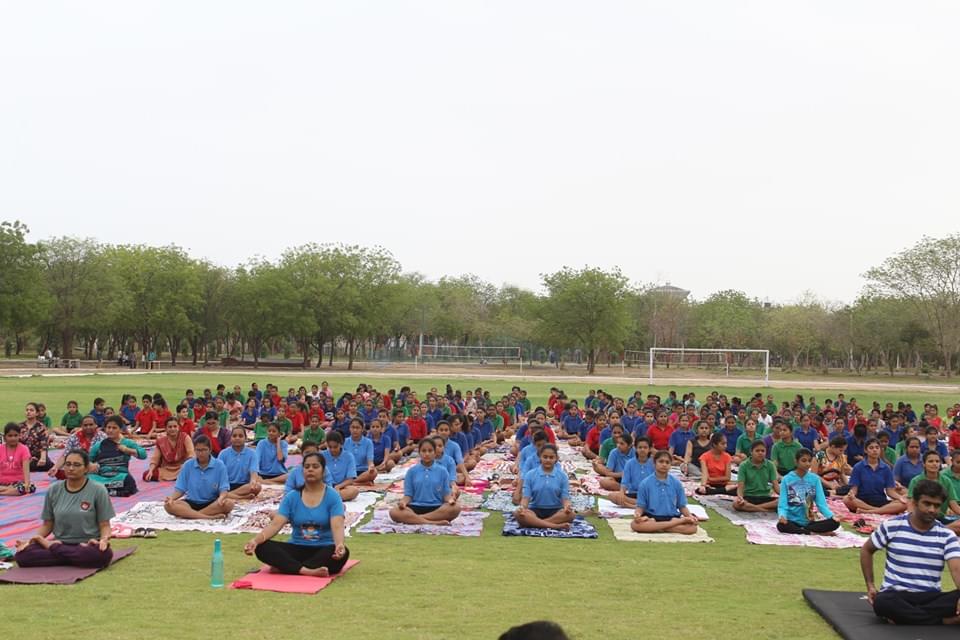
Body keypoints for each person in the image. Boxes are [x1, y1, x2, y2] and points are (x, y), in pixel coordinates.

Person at [860, 479, 960, 626]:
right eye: (927, 503)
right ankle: (942, 621)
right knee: (882, 602)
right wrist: (870, 585)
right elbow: (866, 550)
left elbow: (957, 569)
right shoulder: (892, 526)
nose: (932, 509)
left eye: (936, 505)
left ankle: (906, 616)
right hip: (896, 595)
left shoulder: (946, 535)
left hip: (930, 597)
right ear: (914, 503)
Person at [244, 451, 350, 576]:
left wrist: (339, 545)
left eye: (315, 467)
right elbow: (275, 525)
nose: (310, 470)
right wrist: (255, 541)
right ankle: (307, 570)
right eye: (307, 467)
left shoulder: (333, 496)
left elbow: (337, 525)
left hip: (323, 548)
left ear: (323, 471)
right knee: (263, 547)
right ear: (302, 471)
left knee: (343, 553)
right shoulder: (292, 497)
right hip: (297, 547)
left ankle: (287, 567)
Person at [13, 449, 115, 568]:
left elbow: (105, 525)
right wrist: (29, 541)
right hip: (62, 541)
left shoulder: (98, 490)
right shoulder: (54, 489)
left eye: (77, 465)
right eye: (68, 464)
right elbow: (47, 524)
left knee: (103, 555)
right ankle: (67, 555)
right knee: (22, 556)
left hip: (87, 545)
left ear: (86, 468)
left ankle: (54, 549)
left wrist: (103, 540)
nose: (71, 468)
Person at [388, 439, 461, 525]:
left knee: (455, 508)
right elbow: (408, 496)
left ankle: (418, 520)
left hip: (436, 508)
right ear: (419, 453)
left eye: (430, 451)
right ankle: (432, 522)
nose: (427, 454)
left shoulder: (443, 471)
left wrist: (451, 500)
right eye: (424, 451)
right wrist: (403, 502)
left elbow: (446, 495)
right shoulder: (412, 471)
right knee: (394, 512)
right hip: (415, 507)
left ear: (435, 453)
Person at [163, 435, 235, 520]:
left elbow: (224, 488)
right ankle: (208, 517)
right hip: (191, 502)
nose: (201, 453)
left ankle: (192, 515)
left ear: (210, 450)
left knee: (229, 504)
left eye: (204, 450)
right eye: (198, 450)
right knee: (168, 506)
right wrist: (171, 498)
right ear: (194, 450)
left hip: (211, 503)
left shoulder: (219, 465)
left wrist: (221, 498)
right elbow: (180, 490)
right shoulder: (188, 465)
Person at [631, 451, 699, 535]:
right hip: (652, 517)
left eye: (667, 462)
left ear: (670, 465)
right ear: (654, 463)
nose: (664, 464)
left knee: (692, 528)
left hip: (671, 517)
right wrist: (637, 515)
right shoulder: (645, 483)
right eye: (661, 461)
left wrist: (689, 516)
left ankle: (658, 528)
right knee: (634, 525)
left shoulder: (676, 483)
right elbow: (641, 507)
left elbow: (682, 506)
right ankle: (670, 527)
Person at [776, 448, 840, 535]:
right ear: (796, 461)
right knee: (781, 525)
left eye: (809, 461)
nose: (807, 464)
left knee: (835, 523)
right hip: (792, 520)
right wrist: (782, 516)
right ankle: (813, 532)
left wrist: (831, 516)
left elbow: (821, 503)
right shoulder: (786, 479)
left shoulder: (815, 479)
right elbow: (783, 504)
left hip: (809, 521)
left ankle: (806, 530)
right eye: (804, 461)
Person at [516, 444, 575, 530]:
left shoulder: (563, 476)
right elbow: (526, 497)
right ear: (540, 457)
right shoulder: (530, 475)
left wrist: (567, 507)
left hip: (556, 510)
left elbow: (565, 498)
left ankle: (536, 523)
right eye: (545, 457)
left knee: (571, 514)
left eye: (551, 457)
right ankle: (555, 526)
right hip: (535, 509)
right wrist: (522, 508)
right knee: (518, 514)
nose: (548, 460)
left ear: (556, 459)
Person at [844, 439, 908, 515]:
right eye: (871, 448)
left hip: (880, 500)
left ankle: (869, 511)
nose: (875, 450)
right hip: (862, 500)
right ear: (865, 450)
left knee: (904, 504)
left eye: (877, 448)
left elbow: (890, 491)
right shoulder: (858, 467)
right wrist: (851, 494)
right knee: (847, 499)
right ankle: (879, 511)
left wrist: (900, 498)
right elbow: (854, 489)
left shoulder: (886, 468)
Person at [88, 416, 146, 496]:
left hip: (119, 477)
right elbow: (88, 460)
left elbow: (143, 455)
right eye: (108, 427)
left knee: (128, 480)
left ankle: (103, 491)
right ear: (105, 428)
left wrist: (127, 450)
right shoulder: (99, 445)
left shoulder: (127, 443)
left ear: (120, 429)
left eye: (114, 428)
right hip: (102, 477)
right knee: (86, 478)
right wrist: (90, 465)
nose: (110, 430)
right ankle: (110, 491)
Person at [908, 451, 960, 533]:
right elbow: (911, 503)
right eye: (930, 461)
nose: (934, 464)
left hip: (939, 517)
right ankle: (938, 531)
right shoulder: (916, 481)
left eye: (937, 461)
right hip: (921, 517)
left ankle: (937, 530)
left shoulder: (946, 481)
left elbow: (953, 504)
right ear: (924, 464)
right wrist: (911, 519)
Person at [48, 415, 107, 479]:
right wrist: (55, 467)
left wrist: (96, 465)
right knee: (59, 471)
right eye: (85, 425)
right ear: (81, 426)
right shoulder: (74, 437)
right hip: (77, 464)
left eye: (91, 424)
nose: (88, 427)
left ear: (96, 425)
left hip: (96, 465)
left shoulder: (103, 437)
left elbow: (107, 456)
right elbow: (65, 455)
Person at [144, 417, 195, 482]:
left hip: (183, 467)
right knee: (146, 474)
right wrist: (151, 471)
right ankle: (181, 477)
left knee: (195, 471)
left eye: (175, 426)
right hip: (167, 469)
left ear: (178, 427)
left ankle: (183, 476)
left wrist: (186, 465)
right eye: (170, 427)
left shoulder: (185, 437)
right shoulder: (161, 441)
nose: (172, 429)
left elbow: (191, 453)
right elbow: (155, 458)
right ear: (165, 428)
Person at [733, 440, 779, 512]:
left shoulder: (770, 465)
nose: (760, 453)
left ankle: (755, 508)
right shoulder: (743, 465)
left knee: (781, 502)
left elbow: (776, 485)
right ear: (751, 452)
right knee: (736, 504)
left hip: (765, 496)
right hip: (749, 497)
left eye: (763, 451)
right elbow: (740, 487)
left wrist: (784, 496)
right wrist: (740, 498)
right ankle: (765, 510)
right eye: (757, 451)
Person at [609, 436, 654, 508]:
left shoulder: (654, 463)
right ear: (635, 449)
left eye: (645, 447)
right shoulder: (630, 463)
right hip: (633, 493)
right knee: (612, 496)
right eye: (640, 447)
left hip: (649, 494)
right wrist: (621, 493)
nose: (642, 450)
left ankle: (632, 505)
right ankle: (640, 505)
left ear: (650, 449)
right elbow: (625, 482)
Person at [220, 426, 262, 500]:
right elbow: (218, 473)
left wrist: (253, 482)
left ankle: (229, 495)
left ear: (245, 438)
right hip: (227, 485)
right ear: (230, 438)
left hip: (244, 486)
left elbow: (254, 472)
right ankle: (241, 497)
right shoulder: (223, 453)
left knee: (257, 487)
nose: (237, 438)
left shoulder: (252, 453)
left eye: (240, 436)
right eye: (234, 436)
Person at [322, 432, 360, 502]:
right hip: (325, 487)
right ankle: (332, 498)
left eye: (335, 447)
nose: (332, 449)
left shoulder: (348, 456)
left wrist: (338, 487)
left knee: (354, 491)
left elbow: (350, 479)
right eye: (330, 447)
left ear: (341, 444)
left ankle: (328, 499)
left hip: (342, 487)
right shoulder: (322, 455)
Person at [0, 422, 33, 496]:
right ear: (5, 437)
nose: (13, 438)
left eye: (15, 435)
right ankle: (7, 490)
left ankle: (4, 492)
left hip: (17, 483)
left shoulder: (24, 449)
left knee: (23, 489)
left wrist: (27, 483)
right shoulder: (0, 448)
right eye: (10, 436)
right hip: (2, 483)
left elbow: (26, 470)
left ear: (20, 436)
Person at [20, 402, 52, 472]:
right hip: (22, 456)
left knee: (46, 464)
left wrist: (43, 458)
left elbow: (43, 444)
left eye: (31, 410)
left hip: (37, 456)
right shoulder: (20, 426)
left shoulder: (41, 427)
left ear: (37, 413)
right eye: (27, 410)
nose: (28, 412)